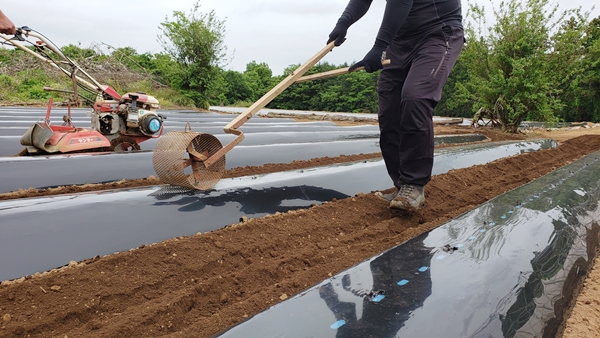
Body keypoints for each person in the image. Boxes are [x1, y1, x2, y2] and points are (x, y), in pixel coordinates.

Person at [327, 0, 464, 210]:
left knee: (415, 98)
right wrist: (344, 22)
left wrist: (379, 47)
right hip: (400, 43)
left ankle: (414, 185)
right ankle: (402, 187)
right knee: (390, 109)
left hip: (437, 33)